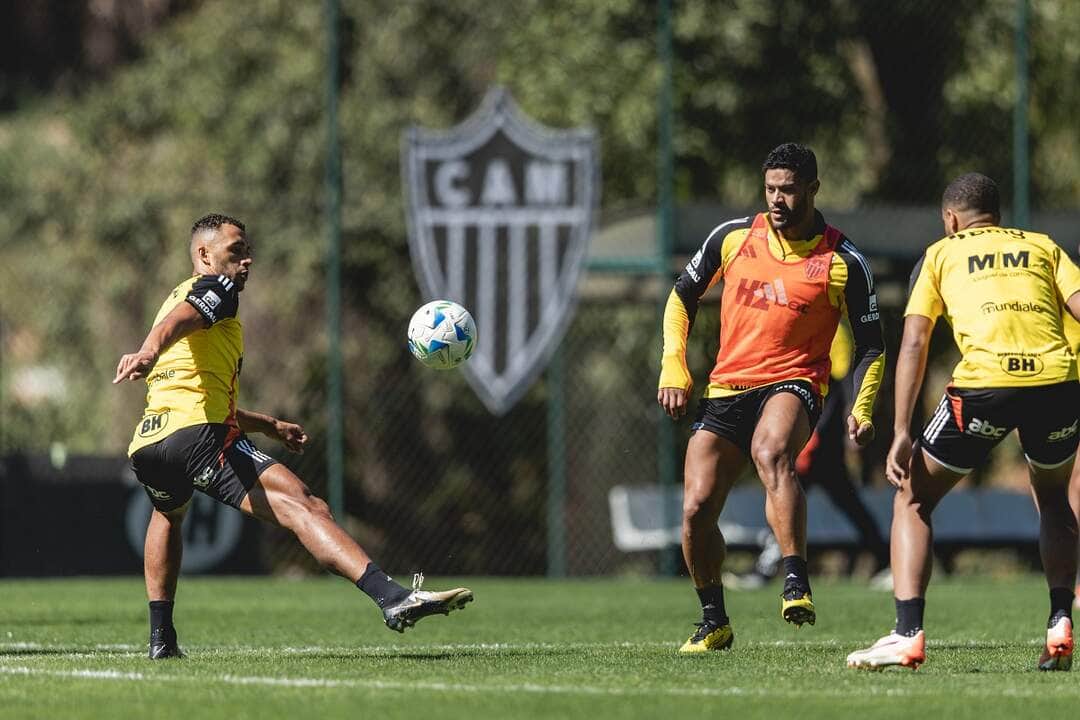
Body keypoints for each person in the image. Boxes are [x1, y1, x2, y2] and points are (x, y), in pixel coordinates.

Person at [114, 214, 472, 659]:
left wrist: (269, 425)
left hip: (151, 444)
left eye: (247, 251)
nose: (247, 261)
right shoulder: (213, 290)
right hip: (200, 436)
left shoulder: (171, 299)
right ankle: (392, 597)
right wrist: (149, 348)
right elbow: (180, 326)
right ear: (204, 255)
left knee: (167, 516)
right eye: (236, 251)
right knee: (304, 506)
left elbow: (197, 390)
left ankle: (160, 641)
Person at [847, 173, 1080, 671]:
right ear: (998, 214)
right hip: (1057, 384)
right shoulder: (1043, 246)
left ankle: (907, 632)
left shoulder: (940, 254)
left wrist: (902, 430)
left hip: (985, 387)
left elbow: (914, 343)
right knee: (1056, 498)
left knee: (912, 496)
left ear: (950, 218)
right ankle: (1061, 617)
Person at [658, 143, 885, 653]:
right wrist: (674, 363)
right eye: (771, 189)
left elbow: (872, 346)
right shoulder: (734, 237)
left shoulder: (844, 260)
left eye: (788, 190)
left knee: (772, 450)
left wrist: (862, 409)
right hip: (726, 387)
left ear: (813, 190)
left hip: (795, 381)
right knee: (695, 509)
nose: (777, 200)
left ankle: (794, 579)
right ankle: (713, 618)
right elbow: (681, 296)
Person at [725, 323, 891, 590]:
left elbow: (837, 385)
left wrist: (811, 443)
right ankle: (884, 560)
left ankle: (764, 570)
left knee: (788, 497)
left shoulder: (831, 325)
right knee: (841, 502)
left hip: (818, 436)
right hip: (817, 436)